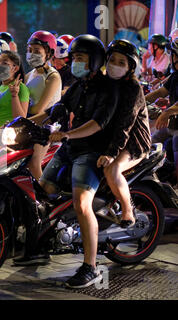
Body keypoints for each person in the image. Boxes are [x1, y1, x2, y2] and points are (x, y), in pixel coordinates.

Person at [37, 35, 119, 288]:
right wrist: (27, 124)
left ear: (94, 61)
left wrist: (68, 134)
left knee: (82, 204)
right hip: (70, 147)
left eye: (80, 58)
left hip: (93, 152)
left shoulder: (109, 89)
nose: (75, 62)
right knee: (43, 189)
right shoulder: (78, 86)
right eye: (74, 58)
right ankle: (56, 237)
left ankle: (91, 267)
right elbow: (57, 108)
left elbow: (97, 124)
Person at [98, 39, 151, 228]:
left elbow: (125, 125)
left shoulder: (133, 88)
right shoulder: (104, 83)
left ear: (130, 67)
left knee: (111, 169)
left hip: (134, 142)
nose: (115, 66)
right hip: (112, 140)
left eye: (122, 63)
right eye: (113, 60)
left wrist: (111, 153)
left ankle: (127, 209)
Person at [24, 30, 62, 180]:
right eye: (29, 50)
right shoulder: (29, 74)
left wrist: (22, 111)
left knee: (33, 163)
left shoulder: (53, 77)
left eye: (36, 51)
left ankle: (45, 199)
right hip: (28, 124)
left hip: (47, 126)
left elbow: (40, 108)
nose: (31, 54)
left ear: (48, 53)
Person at [148, 37, 178, 182]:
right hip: (174, 122)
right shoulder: (175, 76)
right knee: (152, 140)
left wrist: (167, 111)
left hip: (176, 125)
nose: (172, 58)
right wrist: (141, 98)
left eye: (173, 55)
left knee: (176, 141)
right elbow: (160, 92)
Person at [0, 50, 29, 137]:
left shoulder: (21, 88)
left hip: (8, 136)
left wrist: (14, 95)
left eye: (4, 63)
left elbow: (21, 119)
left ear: (15, 68)